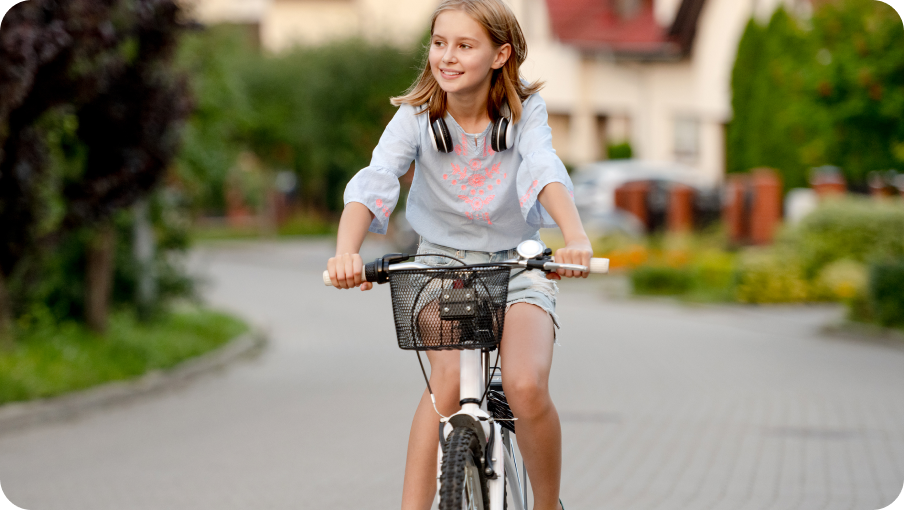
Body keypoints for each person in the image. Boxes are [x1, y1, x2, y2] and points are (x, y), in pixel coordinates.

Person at [326, 1, 591, 509]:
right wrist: (346, 252)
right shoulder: (417, 116)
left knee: (525, 386)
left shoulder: (523, 112)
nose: (446, 57)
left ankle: (546, 505)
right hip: (440, 266)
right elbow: (377, 178)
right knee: (445, 387)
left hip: (517, 264)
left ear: (500, 55)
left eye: (465, 45)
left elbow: (543, 167)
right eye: (439, 42)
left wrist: (575, 237)